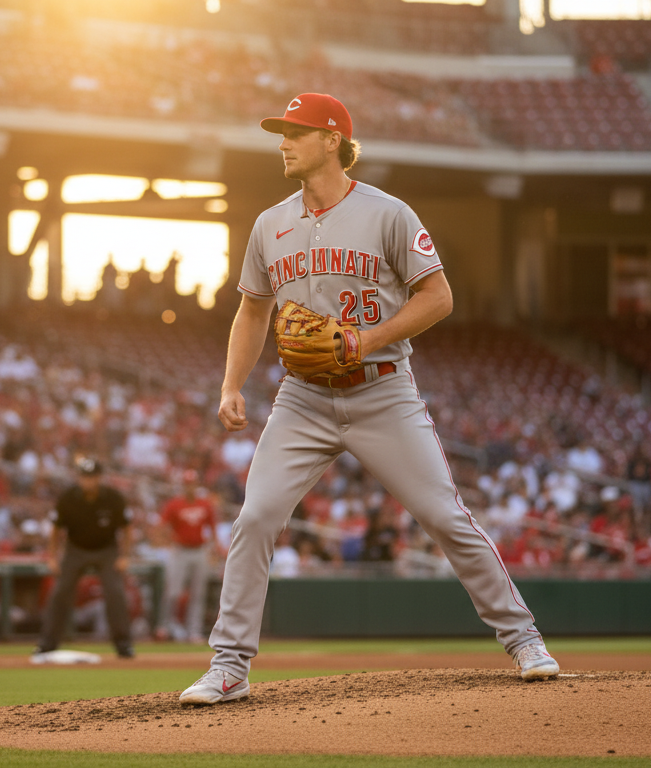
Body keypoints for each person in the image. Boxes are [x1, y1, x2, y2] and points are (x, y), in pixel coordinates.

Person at [180, 93, 558, 706]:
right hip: (301, 399)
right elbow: (252, 312)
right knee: (255, 518)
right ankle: (229, 666)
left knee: (443, 515)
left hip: (382, 389)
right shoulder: (268, 223)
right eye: (282, 133)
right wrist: (230, 385)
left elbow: (438, 298)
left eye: (294, 133)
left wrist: (366, 340)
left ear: (332, 139)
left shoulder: (389, 214)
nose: (282, 143)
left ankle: (524, 640)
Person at [32, 457, 135, 660]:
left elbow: (127, 528)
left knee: (115, 592)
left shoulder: (113, 498)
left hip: (106, 550)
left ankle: (124, 645)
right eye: (85, 477)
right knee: (60, 591)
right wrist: (52, 556)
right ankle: (47, 643)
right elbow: (56, 529)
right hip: (75, 549)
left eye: (92, 477)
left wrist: (125, 556)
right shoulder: (68, 497)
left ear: (99, 478)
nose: (89, 482)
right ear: (79, 478)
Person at [159, 469, 220, 642]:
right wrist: (167, 542)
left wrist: (214, 549)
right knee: (173, 591)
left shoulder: (205, 504)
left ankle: (194, 631)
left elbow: (212, 528)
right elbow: (162, 526)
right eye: (187, 484)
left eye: (192, 484)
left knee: (198, 593)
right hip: (180, 550)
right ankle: (165, 626)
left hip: (199, 550)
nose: (189, 487)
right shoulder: (175, 504)